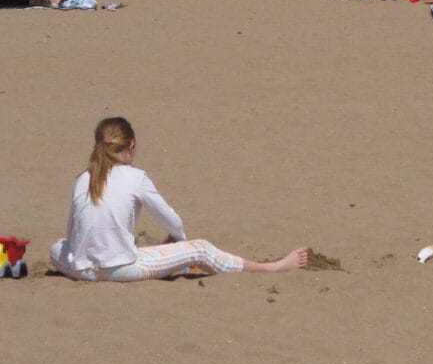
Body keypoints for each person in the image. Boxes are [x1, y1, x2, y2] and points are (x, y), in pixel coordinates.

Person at [49, 117, 309, 281]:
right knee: (201, 249)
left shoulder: (83, 178)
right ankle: (271, 268)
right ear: (131, 146)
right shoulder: (136, 177)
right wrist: (178, 241)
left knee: (57, 247)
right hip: (119, 270)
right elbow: (173, 222)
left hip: (80, 270)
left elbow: (73, 234)